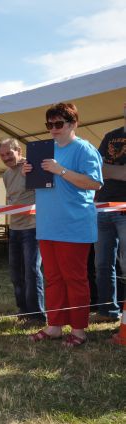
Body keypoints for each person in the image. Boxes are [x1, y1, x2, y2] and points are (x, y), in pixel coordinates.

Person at [23, 103, 103, 347]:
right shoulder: (45, 150)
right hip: (48, 224)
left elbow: (95, 184)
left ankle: (79, 330)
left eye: (59, 124)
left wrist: (61, 170)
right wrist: (30, 171)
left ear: (73, 124)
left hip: (74, 225)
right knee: (53, 278)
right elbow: (46, 185)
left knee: (75, 278)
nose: (53, 129)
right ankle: (54, 326)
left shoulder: (84, 149)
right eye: (50, 125)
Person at [0, 138, 45, 325]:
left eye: (9, 153)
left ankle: (38, 315)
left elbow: (45, 190)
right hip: (15, 228)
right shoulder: (7, 175)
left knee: (32, 271)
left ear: (18, 150)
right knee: (16, 273)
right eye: (2, 155)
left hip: (33, 226)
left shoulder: (32, 165)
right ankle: (24, 310)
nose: (6, 158)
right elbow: (11, 200)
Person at [92, 102, 126, 324]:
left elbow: (107, 169)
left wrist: (109, 170)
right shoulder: (110, 136)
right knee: (102, 264)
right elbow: (96, 168)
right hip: (102, 207)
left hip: (124, 209)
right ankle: (107, 311)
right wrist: (117, 171)